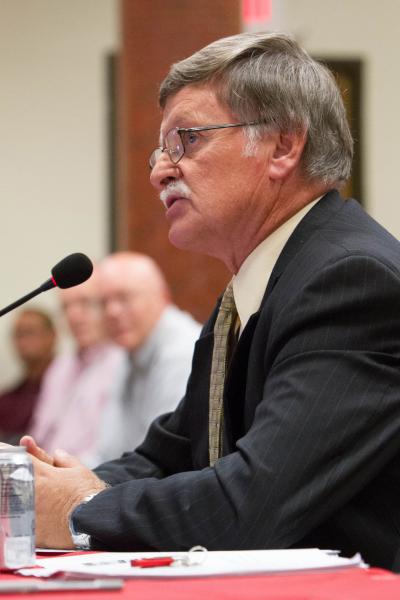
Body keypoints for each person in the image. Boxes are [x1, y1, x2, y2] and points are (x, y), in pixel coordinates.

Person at [21, 32, 400, 570]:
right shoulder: (250, 292)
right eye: (161, 149)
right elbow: (167, 456)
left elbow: (250, 504)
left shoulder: (351, 283)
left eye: (188, 140)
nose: (160, 171)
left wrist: (82, 508)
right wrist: (43, 486)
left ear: (283, 147)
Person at [94, 251, 201, 462]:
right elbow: (108, 451)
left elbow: (163, 460)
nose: (112, 312)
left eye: (124, 298)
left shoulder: (184, 353)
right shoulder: (128, 352)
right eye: (104, 302)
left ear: (162, 296)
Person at [29, 268, 124, 466]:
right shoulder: (59, 367)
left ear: (107, 305)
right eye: (65, 307)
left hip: (94, 479)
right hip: (46, 474)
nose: (73, 316)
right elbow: (39, 435)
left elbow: (114, 452)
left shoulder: (123, 365)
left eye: (85, 303)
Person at [0, 308, 56, 444]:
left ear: (52, 336)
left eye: (30, 332)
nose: (23, 341)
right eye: (18, 334)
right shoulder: (7, 399)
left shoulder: (66, 386)